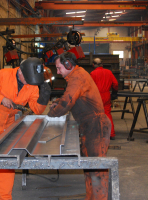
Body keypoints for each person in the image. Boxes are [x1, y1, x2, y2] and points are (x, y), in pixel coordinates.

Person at [0, 57, 51, 200]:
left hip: (10, 126)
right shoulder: (3, 75)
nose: (29, 84)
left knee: (7, 163)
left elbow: (36, 109)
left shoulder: (31, 84)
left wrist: (44, 97)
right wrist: (1, 99)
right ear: (21, 73)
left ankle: (4, 197)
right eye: (28, 80)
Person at [48, 52, 111, 200]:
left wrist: (50, 115)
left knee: (96, 170)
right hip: (90, 127)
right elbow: (69, 98)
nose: (57, 72)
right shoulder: (76, 76)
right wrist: (58, 101)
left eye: (59, 68)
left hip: (96, 127)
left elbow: (66, 103)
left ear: (68, 64)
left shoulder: (77, 77)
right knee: (89, 168)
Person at [90, 58, 118, 140]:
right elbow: (115, 83)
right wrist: (114, 92)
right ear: (102, 64)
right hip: (106, 95)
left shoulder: (93, 73)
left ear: (93, 65)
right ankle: (111, 134)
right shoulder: (108, 72)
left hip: (96, 96)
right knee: (107, 114)